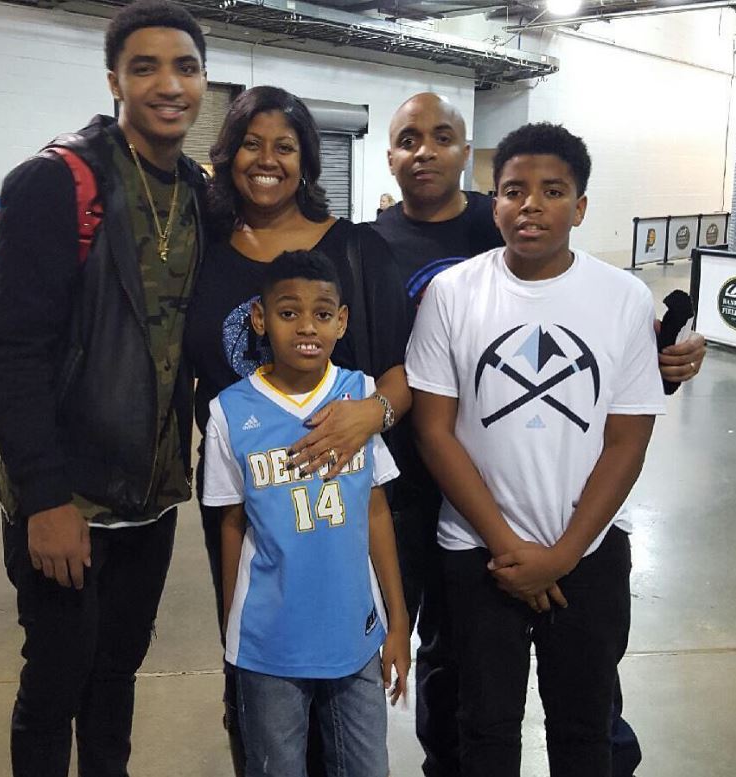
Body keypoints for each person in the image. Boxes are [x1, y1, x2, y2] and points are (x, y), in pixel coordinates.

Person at [372, 92, 706, 777]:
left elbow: (626, 439)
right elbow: (436, 431)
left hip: (586, 549)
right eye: (514, 191)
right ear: (490, 202)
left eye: (552, 192)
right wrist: (507, 545)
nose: (530, 205)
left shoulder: (621, 298)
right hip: (474, 550)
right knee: (482, 727)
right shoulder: (451, 292)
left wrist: (562, 553)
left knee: (583, 726)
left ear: (579, 206)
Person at [0, 2, 207, 775]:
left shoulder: (196, 193)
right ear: (114, 80)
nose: (167, 84)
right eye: (145, 67)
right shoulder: (54, 181)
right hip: (67, 497)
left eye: (185, 66)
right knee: (55, 682)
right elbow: (9, 352)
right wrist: (44, 499)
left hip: (152, 495)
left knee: (115, 678)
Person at [183, 85, 410, 775]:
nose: (266, 159)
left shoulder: (355, 249)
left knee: (345, 724)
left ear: (306, 159)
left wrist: (371, 413)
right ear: (227, 154)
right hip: (251, 484)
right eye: (251, 142)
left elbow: (406, 367)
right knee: (262, 710)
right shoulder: (204, 245)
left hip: (342, 486)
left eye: (284, 145)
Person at [202, 249, 410, 777]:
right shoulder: (230, 411)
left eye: (322, 313)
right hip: (269, 643)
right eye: (288, 312)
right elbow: (231, 523)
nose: (306, 327)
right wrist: (234, 625)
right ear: (259, 318)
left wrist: (398, 620)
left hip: (356, 634)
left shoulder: (359, 394)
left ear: (342, 322)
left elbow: (376, 511)